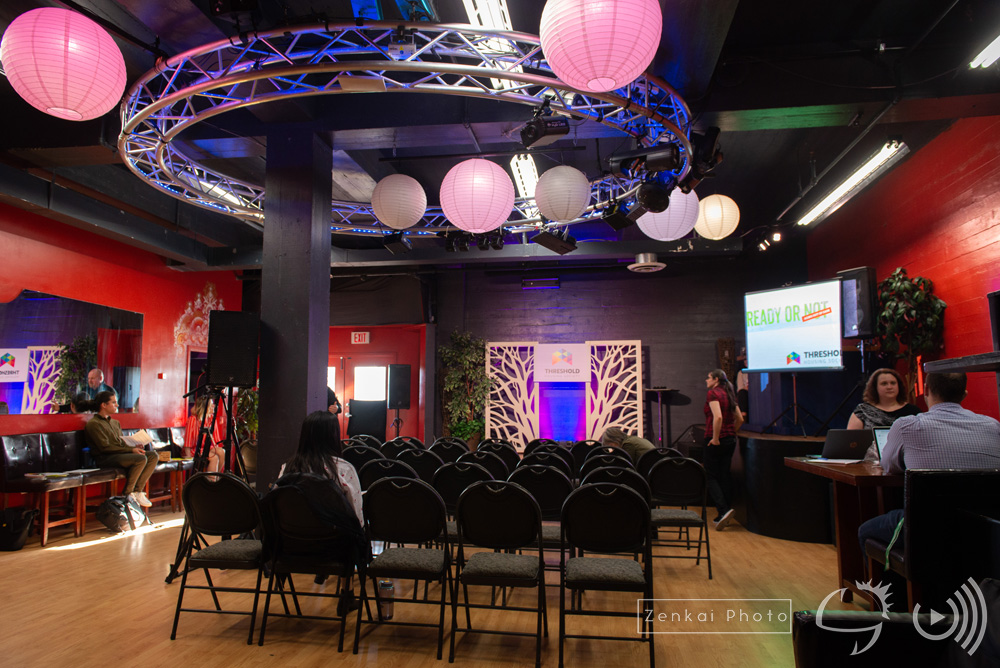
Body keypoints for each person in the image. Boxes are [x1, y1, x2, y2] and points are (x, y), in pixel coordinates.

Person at [858, 373, 1000, 580]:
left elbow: (889, 466)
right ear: (964, 394)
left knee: (866, 531)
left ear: (926, 391)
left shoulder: (907, 425)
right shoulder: (993, 426)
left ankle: (892, 598)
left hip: (926, 527)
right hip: (983, 529)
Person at [278, 410, 363, 525]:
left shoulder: (287, 468)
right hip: (333, 535)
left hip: (292, 533)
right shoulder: (344, 470)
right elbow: (357, 519)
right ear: (334, 436)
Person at [84, 391, 158, 508]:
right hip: (105, 458)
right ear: (104, 405)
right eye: (114, 402)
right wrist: (131, 451)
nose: (117, 405)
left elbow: (121, 443)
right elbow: (105, 447)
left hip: (119, 454)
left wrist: (134, 446)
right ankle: (128, 493)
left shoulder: (115, 423)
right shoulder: (94, 424)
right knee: (140, 459)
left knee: (153, 456)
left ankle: (137, 491)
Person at [846, 368, 920, 460]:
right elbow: (850, 444)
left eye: (893, 383)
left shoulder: (913, 411)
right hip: (868, 463)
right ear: (875, 388)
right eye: (884, 384)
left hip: (906, 461)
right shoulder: (862, 411)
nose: (889, 387)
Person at [704, 368, 743, 530]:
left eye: (709, 377)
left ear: (716, 380)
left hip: (716, 439)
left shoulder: (713, 394)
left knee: (710, 476)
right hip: (730, 439)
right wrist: (732, 432)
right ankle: (725, 511)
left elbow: (718, 416)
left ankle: (723, 510)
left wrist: (715, 438)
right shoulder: (729, 393)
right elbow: (739, 419)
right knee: (724, 474)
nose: (706, 380)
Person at [183, 396, 226, 473]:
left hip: (207, 448)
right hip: (195, 449)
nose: (213, 406)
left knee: (222, 452)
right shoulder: (193, 420)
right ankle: (210, 479)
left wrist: (217, 449)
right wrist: (189, 459)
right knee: (214, 458)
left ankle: (217, 477)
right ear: (205, 407)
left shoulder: (211, 418)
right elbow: (187, 443)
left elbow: (216, 441)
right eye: (211, 405)